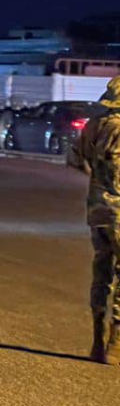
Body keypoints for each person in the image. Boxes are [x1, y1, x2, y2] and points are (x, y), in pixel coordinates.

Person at [68, 76, 120, 364]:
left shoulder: (94, 127)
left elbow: (75, 158)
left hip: (98, 213)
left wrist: (98, 181)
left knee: (102, 274)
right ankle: (116, 342)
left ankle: (97, 337)